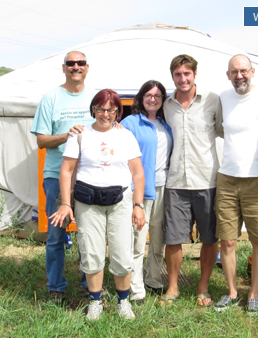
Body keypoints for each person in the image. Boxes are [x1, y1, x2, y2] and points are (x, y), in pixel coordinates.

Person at [49, 89, 146, 321]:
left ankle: (123, 301)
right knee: (91, 252)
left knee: (122, 252)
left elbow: (138, 172)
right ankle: (95, 301)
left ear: (117, 112)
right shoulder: (80, 135)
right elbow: (67, 170)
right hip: (88, 201)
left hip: (120, 201)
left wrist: (138, 204)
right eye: (101, 108)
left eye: (111, 109)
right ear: (93, 109)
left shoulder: (125, 136)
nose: (105, 114)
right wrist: (65, 203)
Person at [215, 55, 258, 314]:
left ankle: (253, 293)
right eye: (234, 72)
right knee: (227, 240)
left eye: (243, 71)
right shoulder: (222, 98)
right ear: (227, 75)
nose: (239, 75)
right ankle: (231, 292)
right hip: (227, 178)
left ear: (253, 72)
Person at [30, 51, 93, 304]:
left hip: (90, 177)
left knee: (89, 234)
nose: (75, 67)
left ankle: (89, 284)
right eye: (71, 63)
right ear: (64, 68)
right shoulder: (51, 99)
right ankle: (56, 286)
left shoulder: (95, 97)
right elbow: (42, 140)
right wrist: (66, 136)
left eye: (80, 63)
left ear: (87, 68)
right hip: (56, 176)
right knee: (56, 236)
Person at [161, 54, 223, 306]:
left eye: (187, 73)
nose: (182, 78)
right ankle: (173, 287)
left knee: (209, 238)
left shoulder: (212, 100)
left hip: (207, 179)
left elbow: (227, 129)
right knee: (173, 238)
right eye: (177, 74)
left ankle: (203, 287)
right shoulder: (166, 105)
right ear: (172, 76)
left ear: (195, 74)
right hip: (175, 181)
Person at [120, 80, 173, 304]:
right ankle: (136, 288)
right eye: (149, 95)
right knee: (138, 241)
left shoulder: (165, 123)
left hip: (164, 187)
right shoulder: (130, 123)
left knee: (158, 238)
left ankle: (153, 279)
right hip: (140, 190)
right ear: (141, 98)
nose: (153, 99)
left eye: (158, 95)